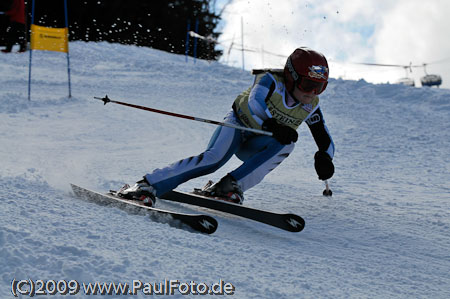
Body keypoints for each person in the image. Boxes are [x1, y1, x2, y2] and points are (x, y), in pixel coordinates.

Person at [118, 47, 335, 207]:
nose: (312, 93)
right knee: (214, 159)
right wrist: (272, 123)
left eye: (320, 87)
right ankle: (147, 185)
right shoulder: (270, 80)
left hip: (257, 144)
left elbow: (324, 139)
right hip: (237, 126)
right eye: (308, 85)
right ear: (291, 77)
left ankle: (229, 186)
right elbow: (255, 102)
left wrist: (325, 157)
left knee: (287, 144)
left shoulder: (311, 106)